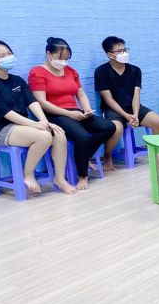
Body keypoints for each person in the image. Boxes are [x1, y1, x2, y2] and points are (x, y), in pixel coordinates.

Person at [0, 39, 75, 195]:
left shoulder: (17, 80)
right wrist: (35, 125)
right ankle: (27, 174)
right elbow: (5, 112)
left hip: (22, 126)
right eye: (2, 56)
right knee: (43, 137)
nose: (7, 57)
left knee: (59, 134)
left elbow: (32, 102)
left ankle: (60, 179)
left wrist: (44, 121)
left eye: (9, 53)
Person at [29, 37, 114, 190]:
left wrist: (86, 109)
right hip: (54, 115)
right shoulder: (37, 72)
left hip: (75, 112)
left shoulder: (71, 71)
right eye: (60, 57)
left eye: (66, 58)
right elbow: (42, 102)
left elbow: (80, 94)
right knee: (83, 136)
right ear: (49, 54)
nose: (63, 62)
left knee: (108, 127)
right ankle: (82, 175)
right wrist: (69, 114)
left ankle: (85, 156)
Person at [95, 36, 159, 171]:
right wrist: (126, 116)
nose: (125, 53)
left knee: (158, 122)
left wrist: (135, 114)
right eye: (120, 51)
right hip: (113, 110)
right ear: (110, 55)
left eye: (125, 50)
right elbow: (108, 99)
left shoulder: (135, 70)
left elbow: (136, 94)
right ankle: (108, 156)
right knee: (116, 129)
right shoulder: (101, 72)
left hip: (134, 108)